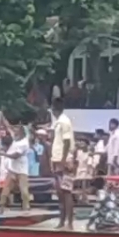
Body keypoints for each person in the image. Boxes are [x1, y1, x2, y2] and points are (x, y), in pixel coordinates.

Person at [49, 98, 75, 229]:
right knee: (60, 193)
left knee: (66, 192)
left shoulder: (64, 122)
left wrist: (63, 161)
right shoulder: (58, 122)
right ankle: (62, 221)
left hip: (64, 160)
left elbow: (67, 142)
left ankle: (69, 222)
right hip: (57, 159)